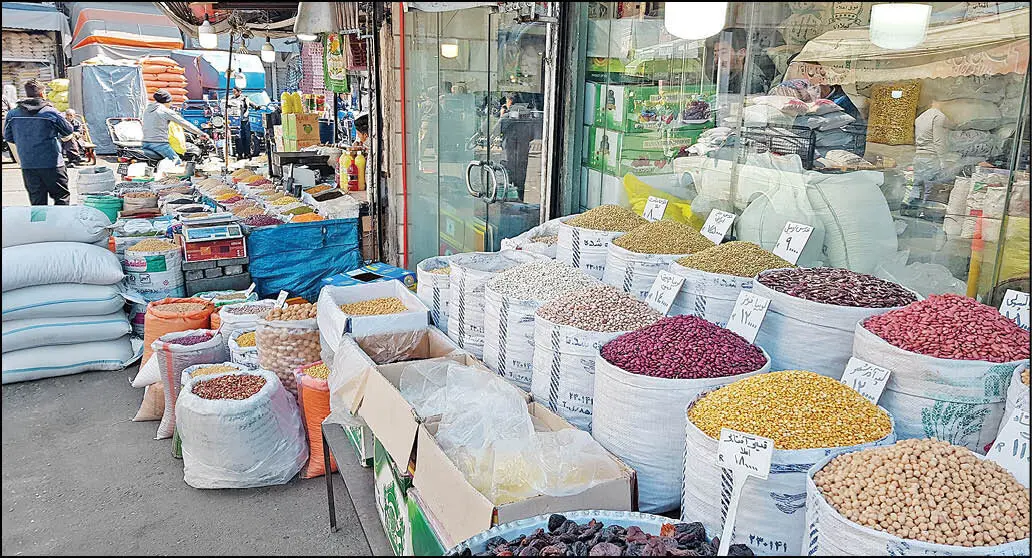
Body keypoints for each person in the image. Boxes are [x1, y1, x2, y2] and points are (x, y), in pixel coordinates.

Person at [3, 79, 75, 205]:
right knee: (61, 198)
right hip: (53, 164)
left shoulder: (13, 114)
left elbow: (8, 137)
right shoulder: (50, 112)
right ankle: (61, 219)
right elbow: (68, 130)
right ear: (42, 93)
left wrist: (25, 141)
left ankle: (39, 219)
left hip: (28, 164)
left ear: (26, 93)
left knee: (37, 203)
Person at [142, 89, 206, 164]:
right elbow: (185, 124)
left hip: (145, 143)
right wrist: (201, 133)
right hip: (159, 144)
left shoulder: (147, 110)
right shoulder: (165, 111)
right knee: (177, 163)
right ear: (167, 101)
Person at [710, 28, 775, 95]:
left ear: (741, 54)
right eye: (715, 54)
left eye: (723, 53)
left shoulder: (753, 83)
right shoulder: (723, 74)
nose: (716, 60)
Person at [911, 102, 951, 202]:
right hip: (931, 157)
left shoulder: (920, 117)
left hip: (919, 156)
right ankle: (925, 208)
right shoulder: (938, 117)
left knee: (917, 186)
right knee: (930, 189)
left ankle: (912, 207)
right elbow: (938, 141)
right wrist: (943, 160)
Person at [227, 87, 258, 158]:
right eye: (233, 92)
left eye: (235, 92)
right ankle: (239, 154)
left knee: (247, 137)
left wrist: (256, 106)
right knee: (238, 137)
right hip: (235, 121)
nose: (234, 93)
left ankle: (247, 153)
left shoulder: (244, 98)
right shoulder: (231, 99)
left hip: (244, 120)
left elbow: (251, 104)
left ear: (239, 92)